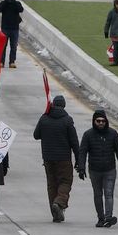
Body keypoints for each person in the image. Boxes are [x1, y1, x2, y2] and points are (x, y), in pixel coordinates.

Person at [76, 109, 118, 228]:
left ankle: (108, 217)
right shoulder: (88, 135)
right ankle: (100, 218)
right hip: (94, 170)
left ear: (106, 121)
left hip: (109, 169)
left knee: (109, 193)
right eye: (98, 121)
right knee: (98, 194)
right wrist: (81, 168)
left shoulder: (113, 134)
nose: (100, 123)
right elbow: (82, 152)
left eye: (103, 121)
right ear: (94, 121)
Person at [34, 94, 78, 222]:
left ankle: (55, 214)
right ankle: (59, 203)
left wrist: (44, 122)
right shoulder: (67, 120)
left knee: (52, 184)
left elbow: (36, 135)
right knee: (65, 182)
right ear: (64, 105)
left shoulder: (44, 118)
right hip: (64, 159)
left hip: (48, 158)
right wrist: (79, 160)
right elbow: (74, 142)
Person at [0, 0, 24, 68]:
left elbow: (21, 9)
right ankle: (1, 62)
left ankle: (12, 61)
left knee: (14, 46)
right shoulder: (3, 3)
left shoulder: (17, 3)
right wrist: (6, 2)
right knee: (3, 46)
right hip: (5, 28)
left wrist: (14, 2)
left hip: (14, 29)